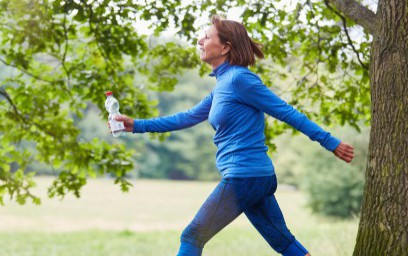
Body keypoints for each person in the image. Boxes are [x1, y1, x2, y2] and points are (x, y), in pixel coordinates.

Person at [109, 15, 355, 256]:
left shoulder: (240, 79)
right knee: (283, 242)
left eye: (206, 37)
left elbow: (287, 113)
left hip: (245, 177)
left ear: (225, 47)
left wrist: (331, 142)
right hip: (255, 177)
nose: (199, 41)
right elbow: (186, 117)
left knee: (192, 236)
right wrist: (136, 125)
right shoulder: (222, 85)